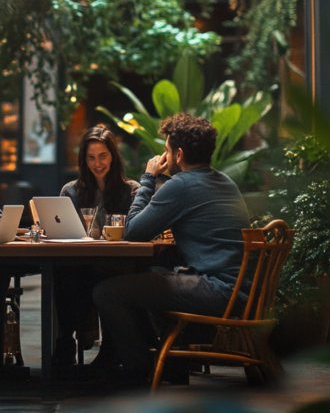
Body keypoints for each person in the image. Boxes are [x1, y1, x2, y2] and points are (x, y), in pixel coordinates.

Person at [92, 113, 250, 384]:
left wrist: (149, 177)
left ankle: (139, 371)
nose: (163, 156)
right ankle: (171, 364)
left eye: (166, 150)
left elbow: (132, 232)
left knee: (107, 292)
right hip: (242, 290)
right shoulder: (225, 181)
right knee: (154, 271)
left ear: (178, 154)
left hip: (218, 290)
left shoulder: (181, 185)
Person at [55, 126, 139, 366]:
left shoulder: (131, 191)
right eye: (91, 157)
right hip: (81, 262)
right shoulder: (70, 191)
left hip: (116, 264)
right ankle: (64, 343)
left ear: (113, 156)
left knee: (106, 277)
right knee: (62, 274)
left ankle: (111, 349)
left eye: (103, 156)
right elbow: (61, 233)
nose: (97, 163)